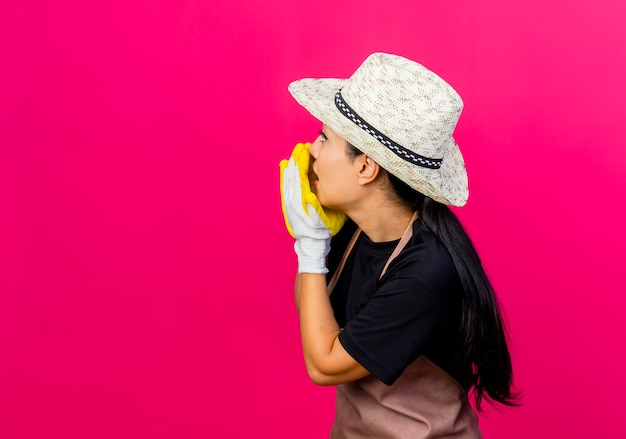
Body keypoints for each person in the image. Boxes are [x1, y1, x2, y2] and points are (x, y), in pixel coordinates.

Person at [279, 52, 518, 438]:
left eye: (324, 137)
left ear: (365, 168)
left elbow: (323, 364)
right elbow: (314, 316)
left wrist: (309, 246)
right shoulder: (352, 229)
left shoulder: (425, 271)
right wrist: (316, 241)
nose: (312, 151)